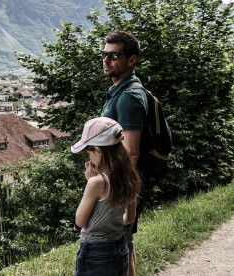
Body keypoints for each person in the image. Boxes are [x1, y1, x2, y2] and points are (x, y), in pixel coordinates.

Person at [100, 30, 149, 276]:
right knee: (124, 246)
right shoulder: (119, 92)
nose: (106, 60)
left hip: (119, 184)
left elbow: (131, 154)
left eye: (114, 55)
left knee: (123, 244)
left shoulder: (129, 96)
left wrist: (127, 204)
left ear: (132, 60)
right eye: (104, 54)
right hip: (113, 181)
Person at [72, 117, 141, 276]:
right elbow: (129, 218)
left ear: (98, 150)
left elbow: (80, 221)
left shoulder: (96, 183)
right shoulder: (130, 176)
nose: (89, 158)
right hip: (120, 246)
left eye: (89, 152)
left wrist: (90, 182)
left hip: (96, 253)